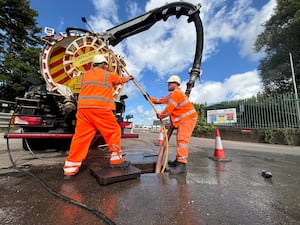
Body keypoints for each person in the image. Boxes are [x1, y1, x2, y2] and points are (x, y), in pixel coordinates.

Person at [63, 54, 134, 180]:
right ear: (103, 64)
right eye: (106, 65)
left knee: (81, 138)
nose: (107, 67)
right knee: (114, 131)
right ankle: (116, 161)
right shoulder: (108, 75)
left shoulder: (85, 75)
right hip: (101, 109)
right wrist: (128, 78)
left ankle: (70, 169)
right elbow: (119, 80)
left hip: (84, 110)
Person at [148, 75, 198, 174]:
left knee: (182, 140)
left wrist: (161, 116)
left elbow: (168, 111)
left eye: (169, 83)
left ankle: (182, 165)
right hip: (184, 120)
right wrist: (149, 98)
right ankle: (178, 161)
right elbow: (161, 100)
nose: (167, 84)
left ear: (175, 84)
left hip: (188, 119)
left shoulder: (176, 94)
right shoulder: (172, 95)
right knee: (180, 140)